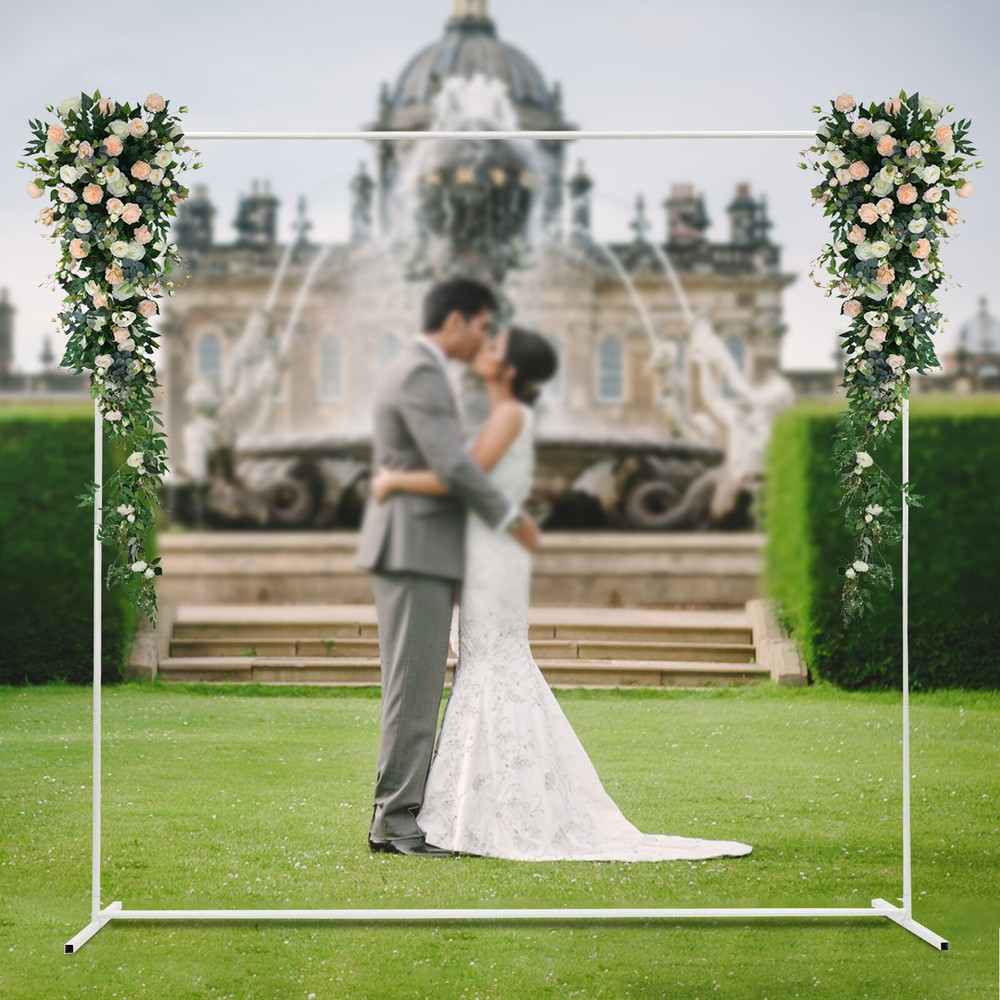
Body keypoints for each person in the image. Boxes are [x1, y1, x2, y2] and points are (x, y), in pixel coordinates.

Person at [370, 326, 752, 861]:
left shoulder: (507, 417)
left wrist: (395, 483)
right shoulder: (500, 414)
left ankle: (478, 808)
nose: (485, 351)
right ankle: (465, 805)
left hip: (493, 561)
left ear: (511, 370)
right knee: (487, 665)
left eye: (496, 349)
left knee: (493, 665)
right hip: (488, 554)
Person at [357, 278, 539, 857]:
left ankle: (402, 813)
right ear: (456, 321)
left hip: (422, 547)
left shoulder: (419, 370)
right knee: (413, 687)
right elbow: (455, 468)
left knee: (413, 684)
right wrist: (510, 518)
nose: (485, 338)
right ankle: (396, 820)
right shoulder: (420, 372)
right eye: (483, 326)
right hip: (415, 550)